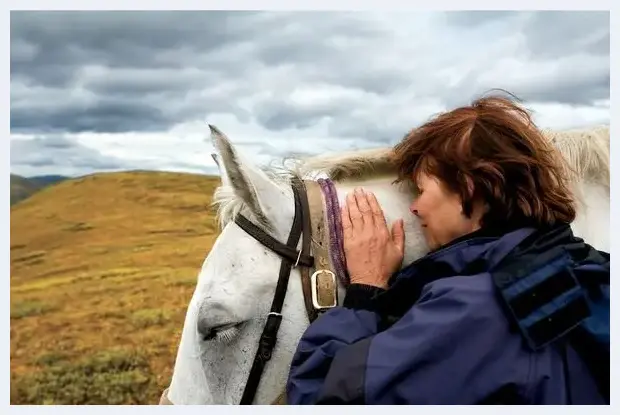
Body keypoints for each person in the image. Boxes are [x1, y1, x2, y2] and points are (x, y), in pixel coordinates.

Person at [285, 94, 609, 404]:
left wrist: (364, 293)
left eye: (422, 189)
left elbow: (323, 397)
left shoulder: (473, 310)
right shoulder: (593, 271)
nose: (414, 207)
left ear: (468, 188)